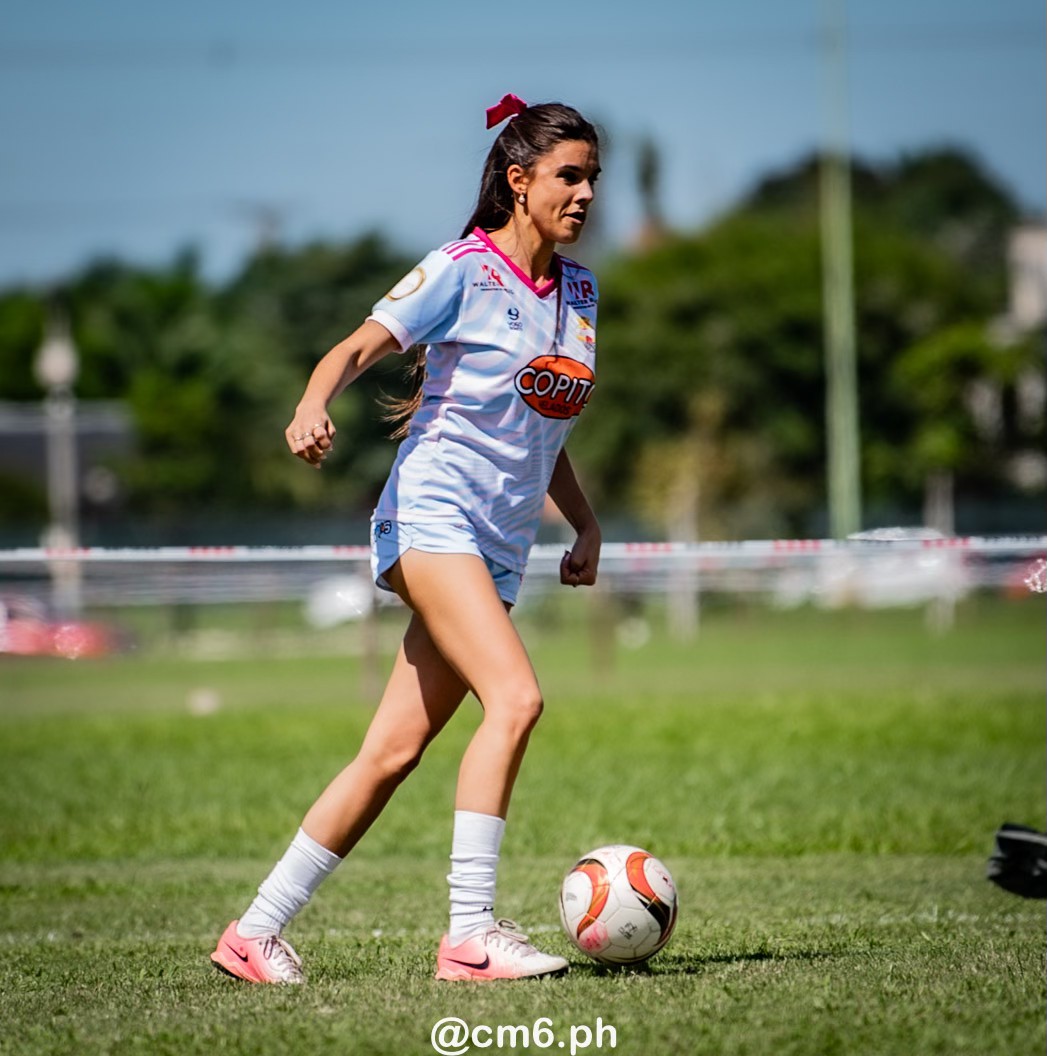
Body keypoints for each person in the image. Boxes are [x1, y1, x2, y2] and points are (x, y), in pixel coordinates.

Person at [210, 94, 603, 984]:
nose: (584, 194)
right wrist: (311, 404)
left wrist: (583, 522)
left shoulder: (579, 293)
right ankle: (469, 934)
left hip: (500, 545)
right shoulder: (459, 269)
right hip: (433, 516)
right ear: (519, 180)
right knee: (516, 700)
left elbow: (544, 426)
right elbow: (354, 348)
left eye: (592, 179)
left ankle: (253, 934)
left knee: (390, 752)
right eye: (568, 176)